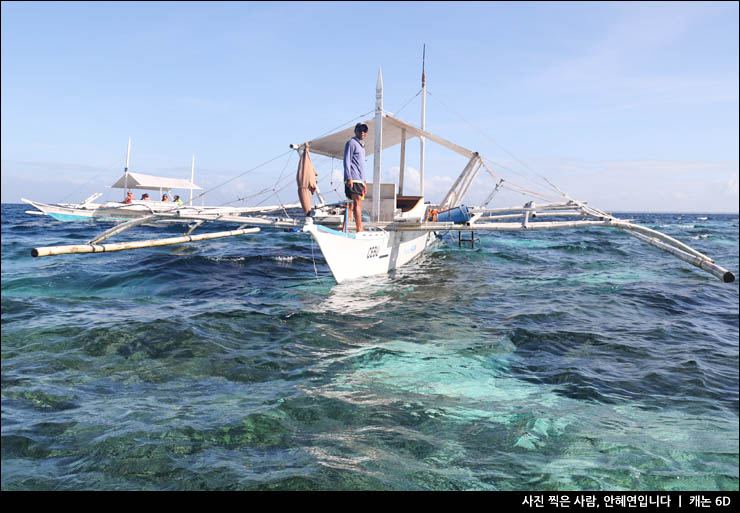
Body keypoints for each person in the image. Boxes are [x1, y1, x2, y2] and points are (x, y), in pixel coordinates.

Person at [343, 122, 368, 232]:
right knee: (357, 203)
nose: (362, 132)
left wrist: (364, 182)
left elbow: (361, 166)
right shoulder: (351, 143)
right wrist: (349, 177)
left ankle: (344, 229)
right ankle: (359, 228)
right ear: (355, 131)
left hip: (360, 180)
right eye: (360, 130)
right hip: (353, 178)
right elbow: (346, 161)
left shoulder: (362, 146)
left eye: (364, 130)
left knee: (351, 205)